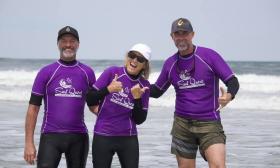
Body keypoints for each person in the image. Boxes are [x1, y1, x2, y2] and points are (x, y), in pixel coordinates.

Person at [150, 18, 239, 168]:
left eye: (184, 33)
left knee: (218, 165)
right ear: (172, 37)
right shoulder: (170, 63)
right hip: (182, 125)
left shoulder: (209, 56)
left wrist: (229, 96)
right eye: (177, 34)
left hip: (209, 123)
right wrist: (138, 85)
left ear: (192, 34)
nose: (181, 38)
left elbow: (232, 81)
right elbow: (157, 91)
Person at [24, 26, 96, 168]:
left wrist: (116, 115)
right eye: (64, 41)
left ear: (78, 44)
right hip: (50, 136)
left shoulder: (87, 72)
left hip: (79, 137)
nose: (68, 45)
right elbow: (33, 109)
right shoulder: (46, 72)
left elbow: (94, 105)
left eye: (72, 41)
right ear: (58, 44)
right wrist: (28, 143)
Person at [86, 43, 151, 168]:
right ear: (128, 57)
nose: (135, 61)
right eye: (132, 56)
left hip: (128, 138)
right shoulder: (112, 72)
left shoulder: (144, 85)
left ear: (145, 64)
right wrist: (108, 89)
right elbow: (89, 98)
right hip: (103, 135)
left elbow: (139, 120)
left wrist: (137, 98)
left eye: (140, 59)